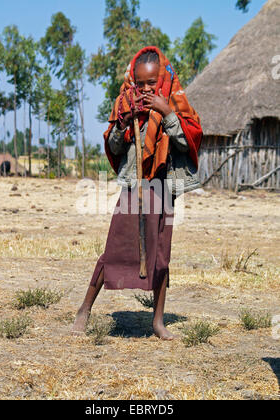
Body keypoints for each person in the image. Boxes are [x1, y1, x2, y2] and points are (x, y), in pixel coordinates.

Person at [72, 46, 203, 340]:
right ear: (133, 79)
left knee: (161, 255)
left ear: (162, 78)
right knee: (116, 247)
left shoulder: (175, 102)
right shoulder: (125, 104)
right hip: (135, 187)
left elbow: (189, 140)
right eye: (140, 82)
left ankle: (157, 322)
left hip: (162, 188)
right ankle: (84, 310)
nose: (145, 89)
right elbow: (115, 147)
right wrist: (122, 123)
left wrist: (166, 112)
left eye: (151, 83)